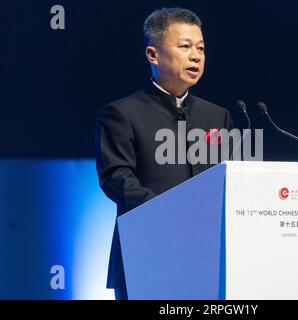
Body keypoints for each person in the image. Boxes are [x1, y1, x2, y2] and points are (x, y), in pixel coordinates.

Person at [95, 7, 236, 300]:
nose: (196, 56)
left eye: (200, 48)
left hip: (209, 257)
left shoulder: (217, 116)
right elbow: (116, 176)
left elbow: (232, 179)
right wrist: (167, 213)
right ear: (153, 54)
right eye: (184, 46)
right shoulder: (121, 113)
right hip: (145, 252)